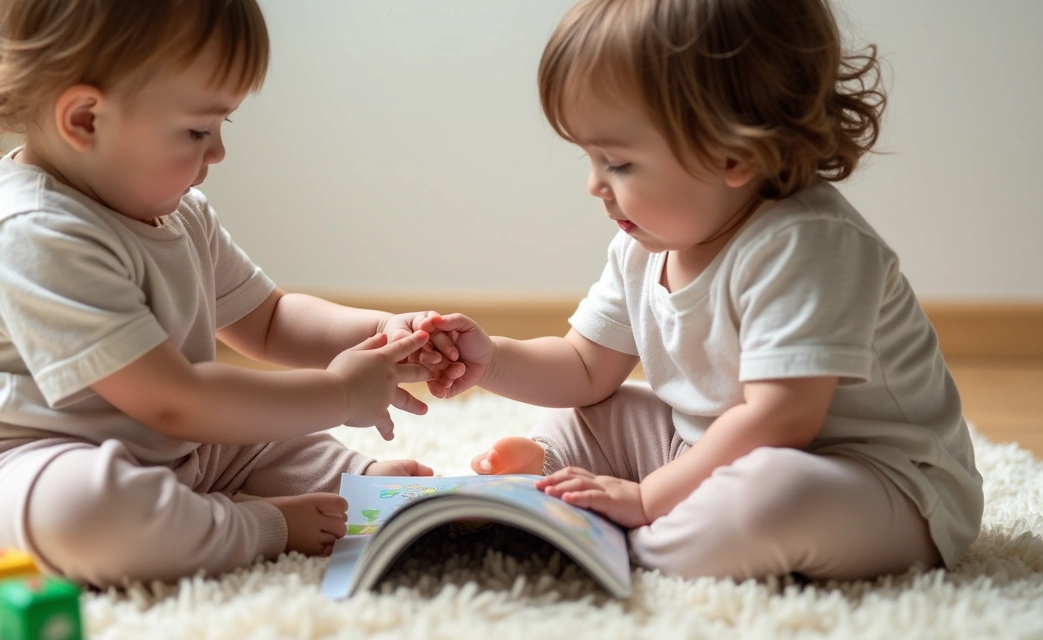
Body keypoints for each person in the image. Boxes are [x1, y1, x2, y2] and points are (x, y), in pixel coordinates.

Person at [0, 0, 464, 587]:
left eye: (222, 126)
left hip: (163, 444)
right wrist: (339, 393)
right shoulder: (31, 233)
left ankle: (356, 481)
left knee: (259, 432)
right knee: (86, 510)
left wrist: (382, 332)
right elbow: (174, 399)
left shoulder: (180, 214)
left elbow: (270, 319)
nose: (217, 152)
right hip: (1, 469)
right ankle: (251, 525)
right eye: (196, 130)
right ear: (84, 119)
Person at [420, 0, 983, 581]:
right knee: (590, 412)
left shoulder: (808, 242)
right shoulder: (644, 244)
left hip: (875, 481)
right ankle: (561, 479)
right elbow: (585, 367)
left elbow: (781, 421)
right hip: (714, 447)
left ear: (732, 154)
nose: (594, 186)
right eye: (589, 158)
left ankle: (630, 535)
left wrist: (650, 498)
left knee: (770, 499)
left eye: (617, 162)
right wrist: (489, 359)